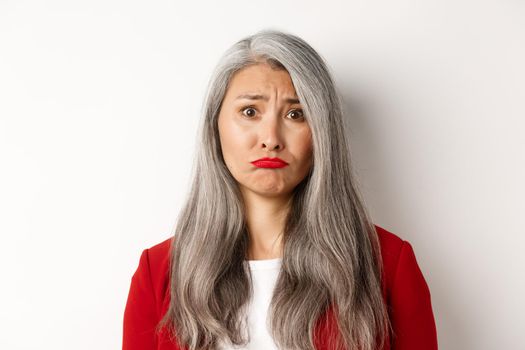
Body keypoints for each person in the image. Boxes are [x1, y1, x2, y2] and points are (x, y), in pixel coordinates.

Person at [123, 29, 438, 350]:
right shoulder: (158, 272)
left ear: (322, 135)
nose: (271, 137)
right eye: (250, 112)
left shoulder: (387, 264)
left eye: (295, 114)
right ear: (215, 126)